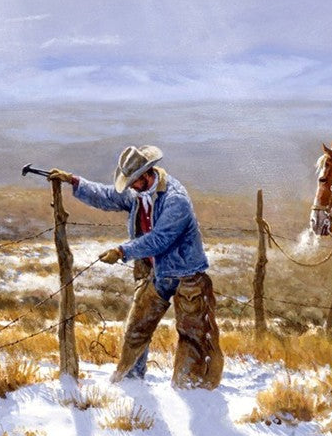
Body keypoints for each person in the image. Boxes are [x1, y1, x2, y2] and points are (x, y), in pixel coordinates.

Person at [48, 145, 224, 389]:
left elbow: (159, 240)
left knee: (193, 336)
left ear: (147, 174)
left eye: (133, 181)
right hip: (157, 274)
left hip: (188, 275)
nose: (129, 186)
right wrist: (74, 181)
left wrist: (122, 251)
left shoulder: (175, 200)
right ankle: (130, 383)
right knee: (136, 330)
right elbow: (109, 196)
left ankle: (194, 390)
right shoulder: (138, 194)